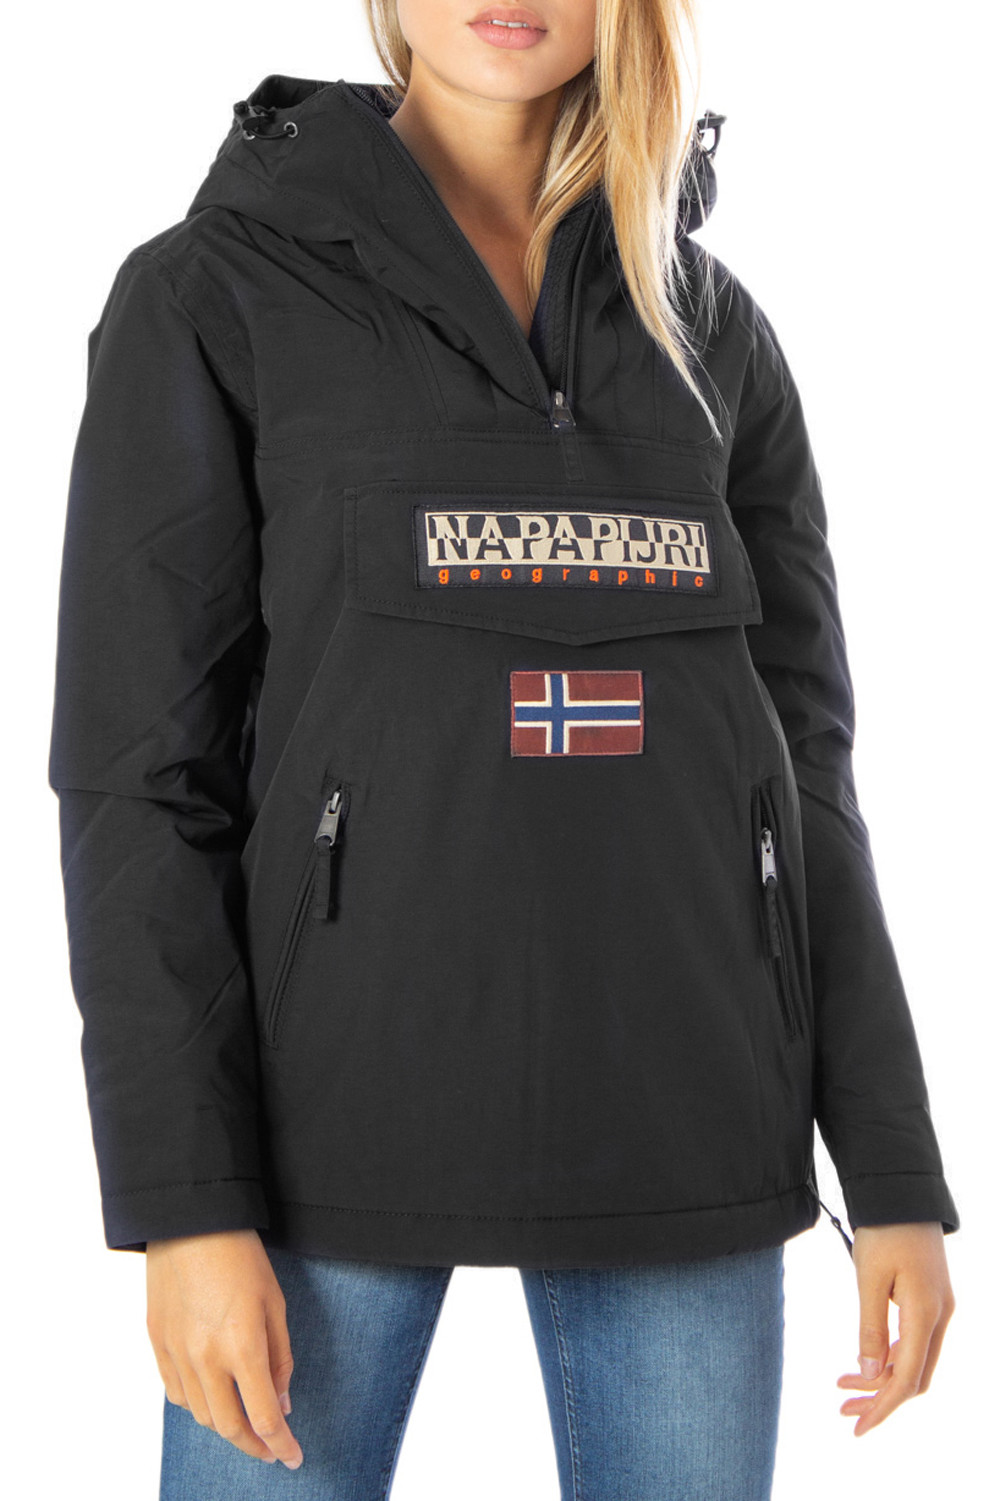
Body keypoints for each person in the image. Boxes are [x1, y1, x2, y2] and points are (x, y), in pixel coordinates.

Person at [47, 2, 960, 1496]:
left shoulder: (713, 332)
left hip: (688, 1127)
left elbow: (804, 771)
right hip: (313, 1139)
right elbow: (139, 781)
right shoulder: (213, 294)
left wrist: (893, 1165)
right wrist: (185, 1200)